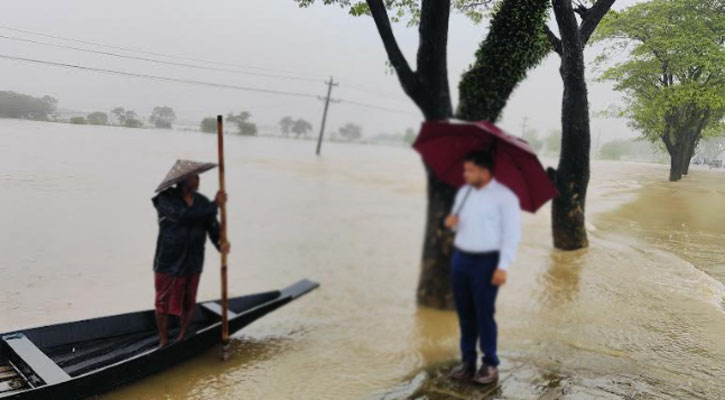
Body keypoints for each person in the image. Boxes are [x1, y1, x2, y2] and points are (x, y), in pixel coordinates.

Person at [444, 150, 521, 385]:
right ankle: (468, 361)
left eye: (470, 170)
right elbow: (460, 227)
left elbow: (511, 234)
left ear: (484, 172)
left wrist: (503, 266)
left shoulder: (505, 197)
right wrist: (452, 224)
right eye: (465, 169)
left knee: (484, 313)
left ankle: (490, 363)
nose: (464, 174)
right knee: (465, 314)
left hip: (487, 262)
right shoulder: (464, 193)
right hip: (461, 259)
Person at [152, 173, 230, 347]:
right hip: (169, 260)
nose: (198, 180)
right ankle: (163, 340)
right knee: (162, 302)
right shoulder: (165, 199)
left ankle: (181, 336)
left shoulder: (202, 202)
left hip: (193, 259)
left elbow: (213, 227)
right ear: (183, 182)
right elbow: (182, 216)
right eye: (194, 178)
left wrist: (221, 244)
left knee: (189, 299)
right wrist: (215, 205)